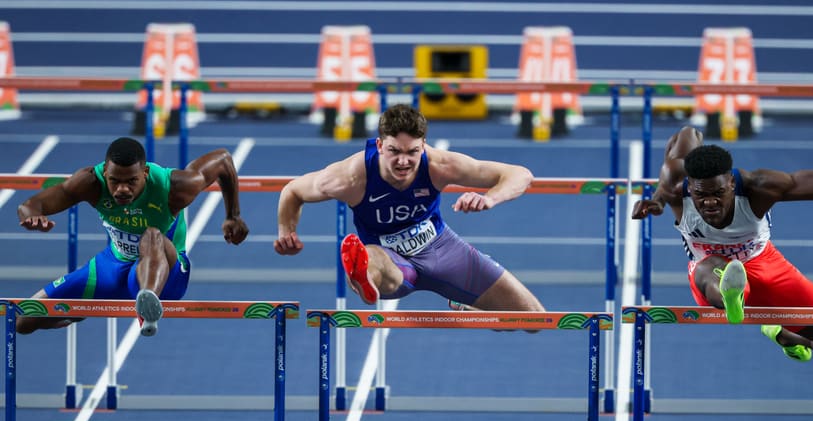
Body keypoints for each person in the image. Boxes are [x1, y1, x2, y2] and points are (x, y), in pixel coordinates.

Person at [631, 126, 813, 363]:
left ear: (731, 182)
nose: (709, 202)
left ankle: (783, 334)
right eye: (700, 195)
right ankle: (732, 298)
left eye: (718, 193)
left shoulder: (759, 187)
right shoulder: (675, 184)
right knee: (716, 268)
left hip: (765, 263)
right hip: (707, 267)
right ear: (688, 186)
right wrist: (659, 201)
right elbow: (686, 133)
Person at [274, 104, 546, 316]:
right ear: (380, 145)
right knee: (371, 258)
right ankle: (363, 276)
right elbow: (293, 191)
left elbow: (520, 174)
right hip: (393, 261)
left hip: (442, 249)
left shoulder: (440, 165)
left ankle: (468, 306)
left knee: (533, 317)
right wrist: (287, 231)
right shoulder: (350, 177)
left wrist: (490, 198)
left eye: (412, 152)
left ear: (423, 146)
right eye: (394, 151)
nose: (403, 161)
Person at [17, 137, 248, 336]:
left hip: (166, 272)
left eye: (131, 182)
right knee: (24, 320)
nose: (122, 189)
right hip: (113, 265)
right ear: (105, 173)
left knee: (151, 235)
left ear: (145, 174)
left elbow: (223, 159)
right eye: (115, 181)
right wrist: (32, 215)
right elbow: (32, 204)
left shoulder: (176, 187)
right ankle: (77, 314)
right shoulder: (89, 183)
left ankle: (148, 302)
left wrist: (233, 215)